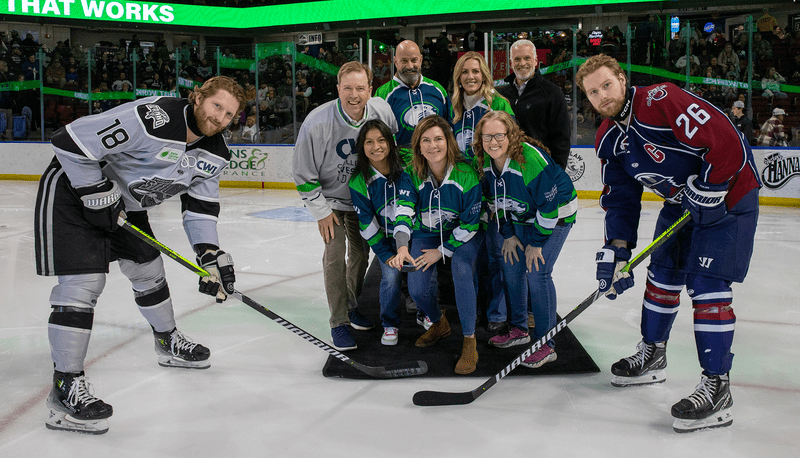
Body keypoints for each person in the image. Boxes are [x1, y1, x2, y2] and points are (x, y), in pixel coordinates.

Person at [33, 76, 247, 434]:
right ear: (197, 98)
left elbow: (200, 208)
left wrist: (208, 255)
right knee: (83, 285)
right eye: (216, 107)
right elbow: (69, 140)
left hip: (123, 206)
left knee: (149, 270)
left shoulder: (216, 152)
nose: (220, 119)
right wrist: (93, 188)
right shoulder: (154, 117)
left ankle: (167, 343)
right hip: (73, 192)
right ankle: (64, 388)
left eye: (229, 114)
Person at [575, 54, 761, 433]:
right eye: (592, 92)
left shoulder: (660, 100)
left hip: (729, 198)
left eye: (606, 85)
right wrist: (617, 249)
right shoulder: (609, 137)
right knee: (660, 278)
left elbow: (726, 138)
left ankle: (717, 387)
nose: (601, 95)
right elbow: (621, 199)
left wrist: (711, 186)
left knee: (708, 288)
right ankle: (653, 355)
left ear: (622, 80)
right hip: (681, 205)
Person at [292, 62, 398, 351]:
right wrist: (321, 211)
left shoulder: (381, 111)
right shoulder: (317, 122)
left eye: (360, 88)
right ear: (338, 89)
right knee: (335, 254)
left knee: (362, 255)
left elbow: (393, 146)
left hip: (363, 200)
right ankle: (338, 321)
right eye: (347, 88)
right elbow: (303, 174)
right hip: (331, 201)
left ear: (370, 89)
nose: (354, 95)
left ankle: (351, 304)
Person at [473, 111, 577, 367]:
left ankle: (546, 343)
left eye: (500, 135)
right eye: (487, 136)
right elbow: (493, 202)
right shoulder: (485, 161)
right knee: (511, 267)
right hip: (522, 215)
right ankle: (519, 329)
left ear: (512, 136)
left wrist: (537, 243)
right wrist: (507, 234)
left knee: (537, 272)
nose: (493, 142)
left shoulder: (529, 161)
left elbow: (549, 207)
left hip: (556, 214)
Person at [406, 115, 483, 374]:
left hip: (462, 233)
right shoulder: (412, 172)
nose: (432, 145)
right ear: (418, 145)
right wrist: (403, 242)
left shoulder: (466, 173)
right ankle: (439, 323)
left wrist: (442, 251)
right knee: (416, 285)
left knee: (461, 270)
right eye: (425, 140)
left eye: (438, 138)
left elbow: (471, 224)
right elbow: (404, 210)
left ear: (448, 142)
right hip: (426, 232)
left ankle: (470, 340)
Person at [450, 51, 515, 332]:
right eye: (465, 72)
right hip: (463, 194)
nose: (471, 77)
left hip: (494, 192)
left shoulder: (497, 104)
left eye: (476, 71)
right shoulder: (453, 108)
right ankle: (473, 310)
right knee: (470, 257)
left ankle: (497, 313)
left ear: (484, 74)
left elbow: (512, 146)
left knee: (495, 255)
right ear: (458, 78)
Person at [349, 119, 417, 346]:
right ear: (361, 146)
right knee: (389, 275)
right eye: (369, 142)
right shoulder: (360, 180)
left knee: (423, 272)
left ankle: (426, 312)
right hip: (385, 240)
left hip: (415, 233)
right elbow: (367, 224)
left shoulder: (408, 161)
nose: (376, 146)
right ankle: (389, 323)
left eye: (381, 140)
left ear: (391, 141)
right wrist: (386, 254)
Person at [497, 39, 570, 169]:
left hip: (540, 168)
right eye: (517, 59)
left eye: (527, 58)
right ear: (511, 63)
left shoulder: (552, 93)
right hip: (509, 168)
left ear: (535, 61)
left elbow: (561, 138)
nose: (522, 63)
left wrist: (557, 172)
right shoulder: (502, 95)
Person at [374, 40, 453, 149]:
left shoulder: (437, 90)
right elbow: (376, 136)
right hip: (402, 164)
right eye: (404, 61)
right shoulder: (382, 94)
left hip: (435, 161)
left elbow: (450, 128)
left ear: (420, 60)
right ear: (396, 61)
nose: (410, 66)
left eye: (414, 60)